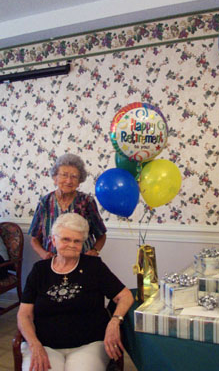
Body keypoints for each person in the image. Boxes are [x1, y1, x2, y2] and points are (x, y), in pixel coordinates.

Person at [18, 213, 134, 371]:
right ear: (53, 240)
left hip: (89, 344)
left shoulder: (94, 267)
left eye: (77, 241)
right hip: (44, 344)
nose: (71, 245)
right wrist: (34, 344)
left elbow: (125, 296)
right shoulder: (40, 270)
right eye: (65, 239)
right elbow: (24, 314)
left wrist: (114, 322)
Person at [29, 153, 106, 259]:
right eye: (64, 175)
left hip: (83, 261)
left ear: (79, 182)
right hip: (53, 262)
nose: (69, 181)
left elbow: (101, 235)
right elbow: (34, 239)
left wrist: (95, 251)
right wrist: (44, 254)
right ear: (55, 178)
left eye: (74, 177)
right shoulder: (45, 202)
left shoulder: (87, 201)